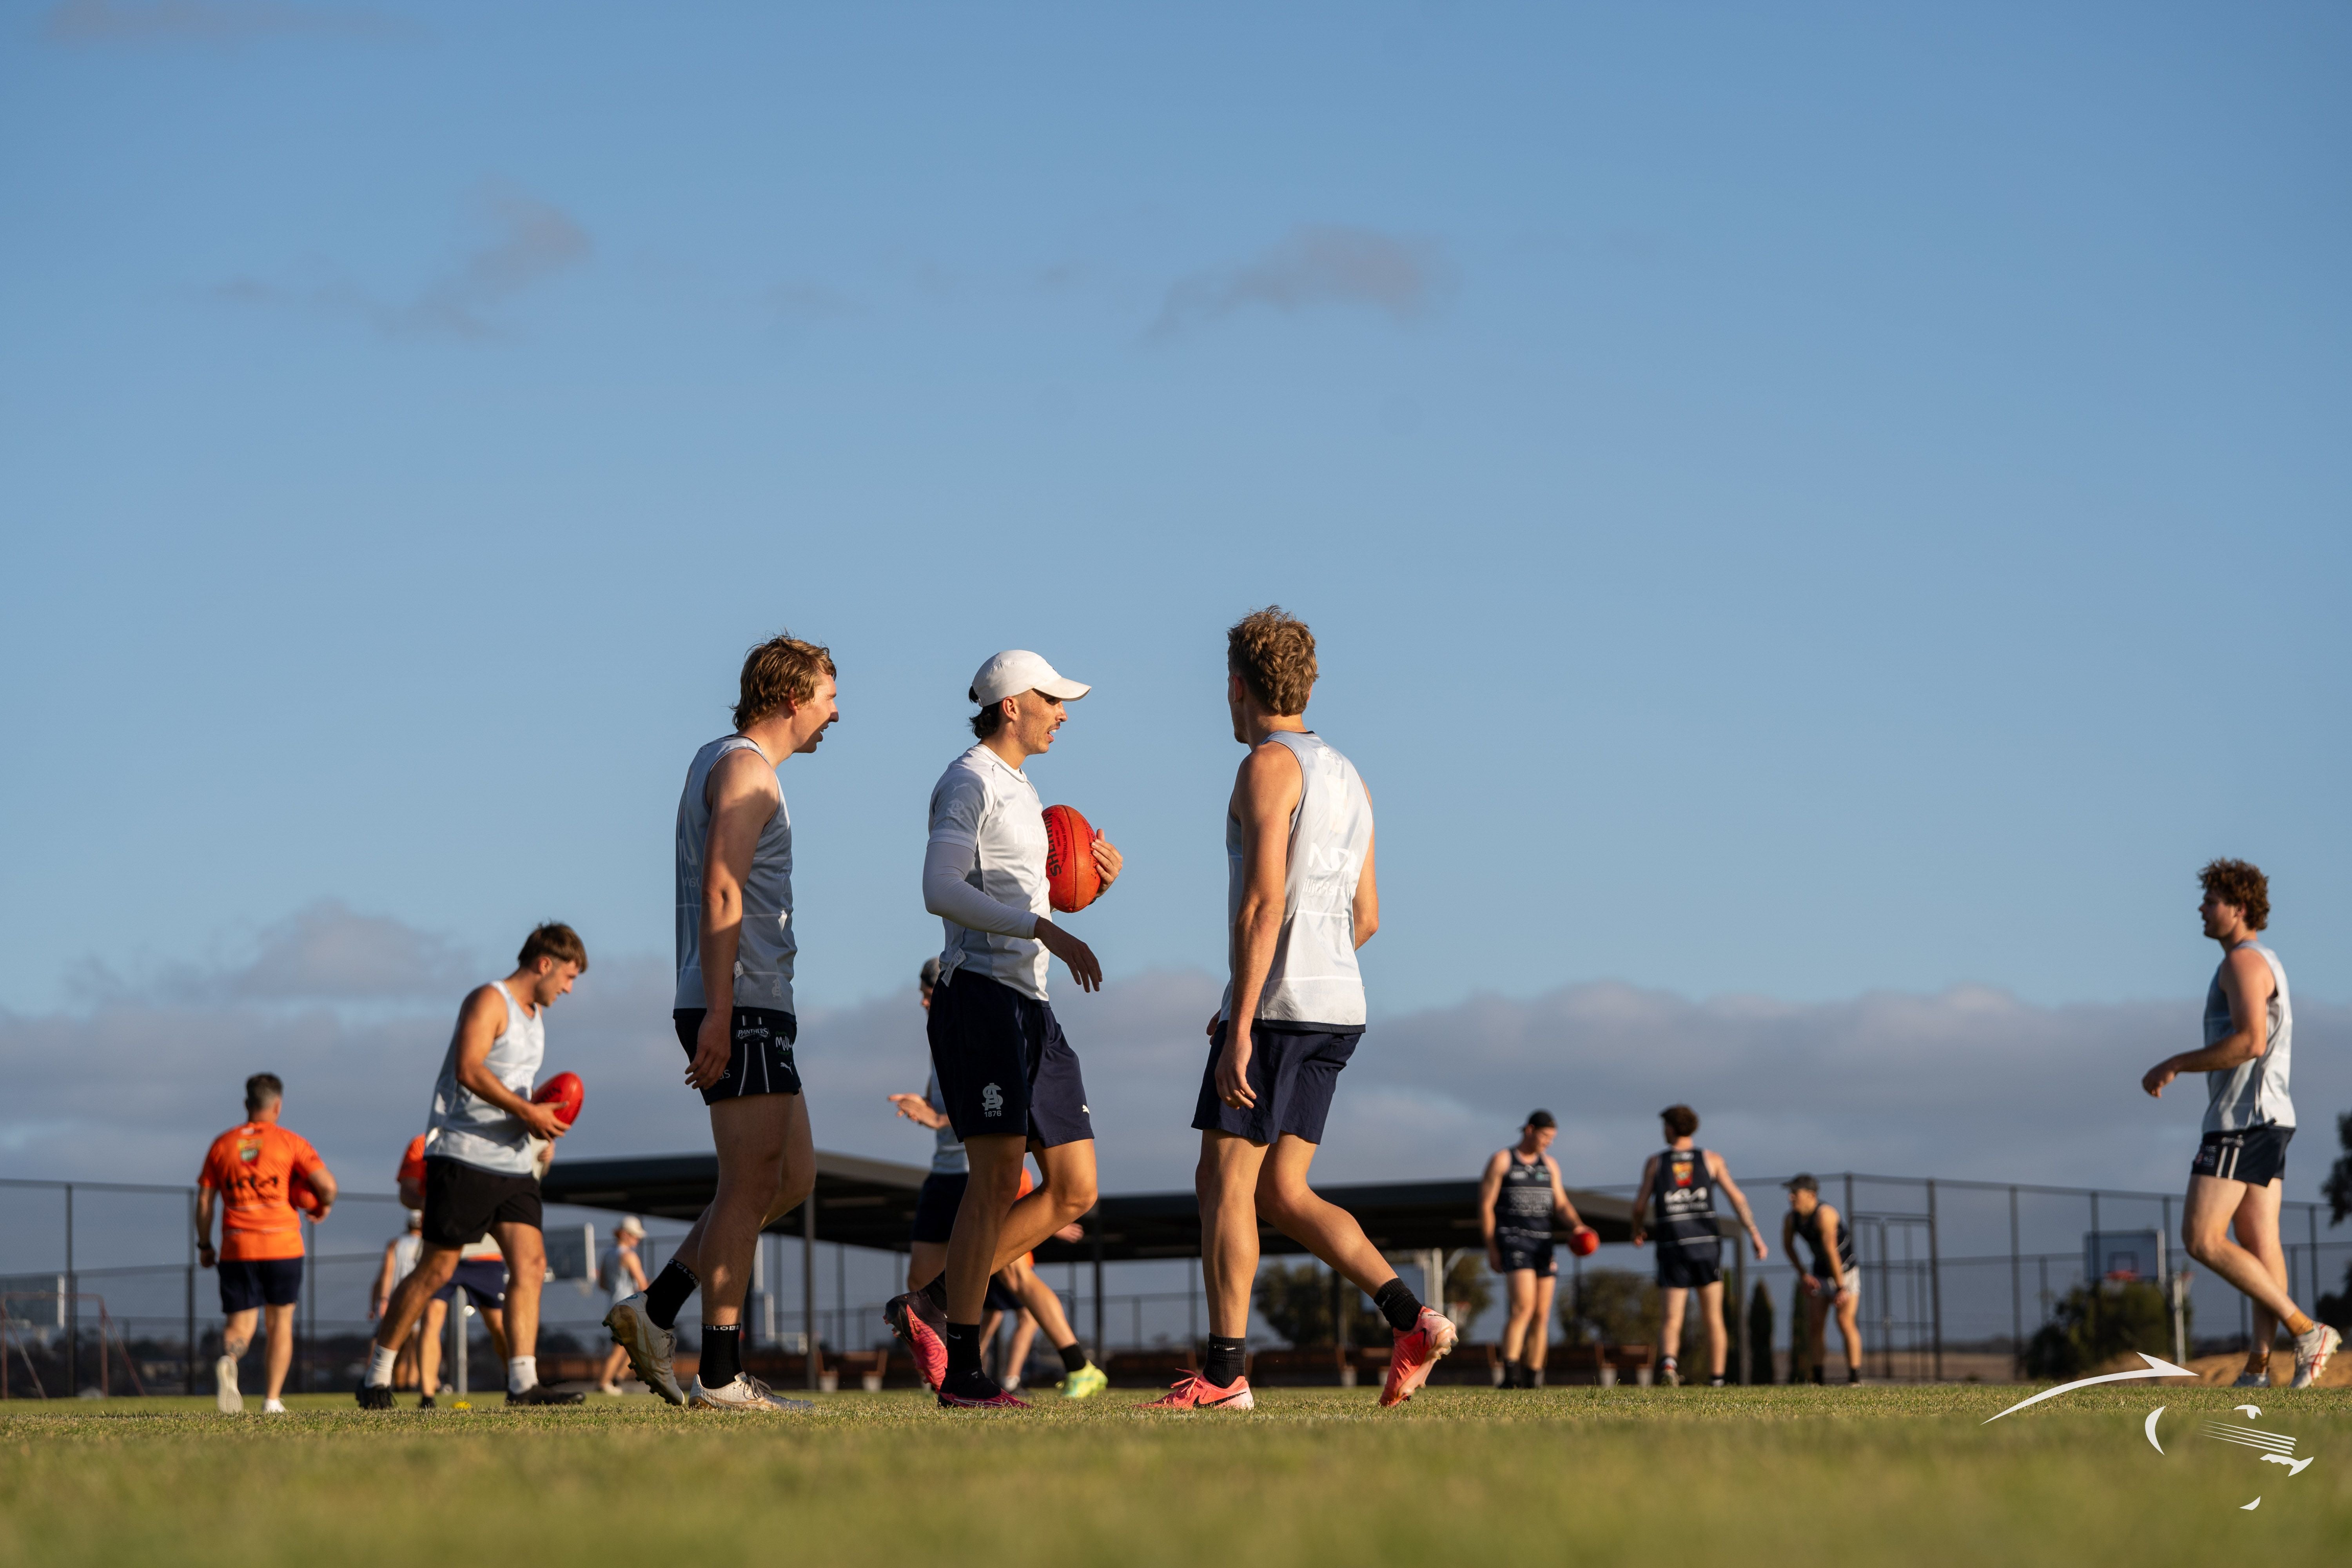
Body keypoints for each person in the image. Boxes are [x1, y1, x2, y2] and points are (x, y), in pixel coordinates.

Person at [1151, 609, 1455, 1413]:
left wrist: (1241, 1020)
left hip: (1280, 1007)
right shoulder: (1351, 777)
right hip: (1338, 1002)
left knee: (1223, 1179)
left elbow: (1262, 905)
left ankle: (1224, 1377)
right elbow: (1368, 916)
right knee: (1282, 1191)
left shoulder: (1266, 766)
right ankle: (1412, 1318)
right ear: (1308, 687)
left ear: (1236, 686)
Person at [607, 633, 838, 1414]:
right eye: (828, 697)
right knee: (748, 1184)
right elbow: (720, 890)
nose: (836, 713)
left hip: (751, 999)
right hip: (740, 1000)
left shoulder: (725, 759)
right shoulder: (747, 770)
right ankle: (720, 1374)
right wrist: (720, 1010)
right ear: (791, 699)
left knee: (791, 1176)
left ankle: (658, 1307)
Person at [884, 650, 1122, 1409]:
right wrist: (1041, 928)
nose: (1063, 712)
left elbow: (1031, 895)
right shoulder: (969, 780)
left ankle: (928, 1301)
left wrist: (1088, 888)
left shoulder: (1023, 787)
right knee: (992, 1181)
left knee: (1076, 1188)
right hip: (981, 998)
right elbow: (939, 888)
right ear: (1012, 703)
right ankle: (963, 1372)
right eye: (1052, 699)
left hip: (1032, 1005)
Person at [357, 924, 589, 1409]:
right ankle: (376, 1376)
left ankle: (523, 1384)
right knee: (435, 1269)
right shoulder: (489, 1000)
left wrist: (539, 1122)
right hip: (464, 1155)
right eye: (568, 977)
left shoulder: (536, 1018)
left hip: (514, 1162)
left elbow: (516, 1088)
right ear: (544, 963)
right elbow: (469, 1068)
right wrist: (528, 1112)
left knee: (531, 1263)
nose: (570, 989)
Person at [2142, 858, 2338, 1388]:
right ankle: (2257, 1368)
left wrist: (2176, 1062)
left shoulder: (2244, 963)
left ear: (2240, 908)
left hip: (2242, 1121)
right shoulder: (2258, 960)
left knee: (2201, 1238)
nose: (2202, 909)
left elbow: (2251, 1041)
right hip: (2267, 1118)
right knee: (2259, 1242)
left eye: (2212, 901)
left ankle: (2307, 1331)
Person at [889, 958, 1109, 1400]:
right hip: (943, 1175)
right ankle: (949, 1365)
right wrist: (928, 1110)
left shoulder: (987, 1014)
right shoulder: (946, 1035)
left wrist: (935, 1118)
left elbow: (985, 1109)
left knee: (1017, 1280)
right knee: (922, 1275)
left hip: (979, 1172)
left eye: (927, 993)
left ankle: (1078, 1364)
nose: (925, 1001)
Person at [197, 1074, 337, 1414]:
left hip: (238, 1246)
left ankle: (230, 1358)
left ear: (247, 1104)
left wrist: (204, 1245)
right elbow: (328, 1186)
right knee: (280, 1323)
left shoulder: (222, 1145)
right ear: (278, 1106)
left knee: (240, 1325)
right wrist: (323, 1205)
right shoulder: (290, 1142)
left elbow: (205, 1201)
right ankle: (272, 1400)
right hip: (282, 1245)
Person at [1629, 1105, 1766, 1388]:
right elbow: (1738, 1199)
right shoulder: (1711, 1159)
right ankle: (1717, 1380)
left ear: (1670, 1128)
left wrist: (1637, 1229)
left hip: (1673, 1247)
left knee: (1671, 1318)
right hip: (1706, 1248)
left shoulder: (1656, 1163)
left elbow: (1639, 1206)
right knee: (1714, 1318)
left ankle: (1669, 1366)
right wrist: (1754, 1234)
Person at [1478, 1109, 1588, 1390]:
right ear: (1529, 1130)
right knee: (1523, 1309)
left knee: (1542, 1315)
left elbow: (1561, 1204)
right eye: (1545, 1136)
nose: (1548, 1142)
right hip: (1515, 1242)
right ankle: (1510, 1375)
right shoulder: (1503, 1160)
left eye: (1552, 1138)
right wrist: (1492, 1247)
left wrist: (1578, 1227)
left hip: (1543, 1244)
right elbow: (1487, 1206)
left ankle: (1534, 1377)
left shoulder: (1549, 1165)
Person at [1780, 1175, 1862, 1385]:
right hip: (1820, 1273)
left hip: (1845, 1273)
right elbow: (1788, 1247)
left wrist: (1841, 1288)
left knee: (1845, 1322)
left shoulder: (1826, 1215)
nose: (1791, 1197)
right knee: (1815, 1325)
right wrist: (1804, 1275)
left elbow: (1831, 1252)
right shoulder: (1791, 1219)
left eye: (1795, 1193)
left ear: (1811, 1195)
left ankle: (1854, 1379)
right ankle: (1818, 1380)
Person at [368, 1210, 425, 1391]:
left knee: (396, 1345)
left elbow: (386, 1274)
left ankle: (399, 1386)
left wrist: (383, 1300)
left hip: (398, 1300)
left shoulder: (396, 1245)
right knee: (416, 1346)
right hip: (420, 1300)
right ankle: (412, 1385)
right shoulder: (429, 1245)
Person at [597, 1217, 650, 1395]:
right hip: (628, 1307)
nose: (638, 1240)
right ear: (625, 1235)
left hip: (613, 1305)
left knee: (633, 1347)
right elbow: (643, 1285)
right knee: (620, 1349)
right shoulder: (629, 1256)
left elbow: (602, 1284)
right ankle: (604, 1383)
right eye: (635, 1236)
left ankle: (616, 1381)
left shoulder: (608, 1254)